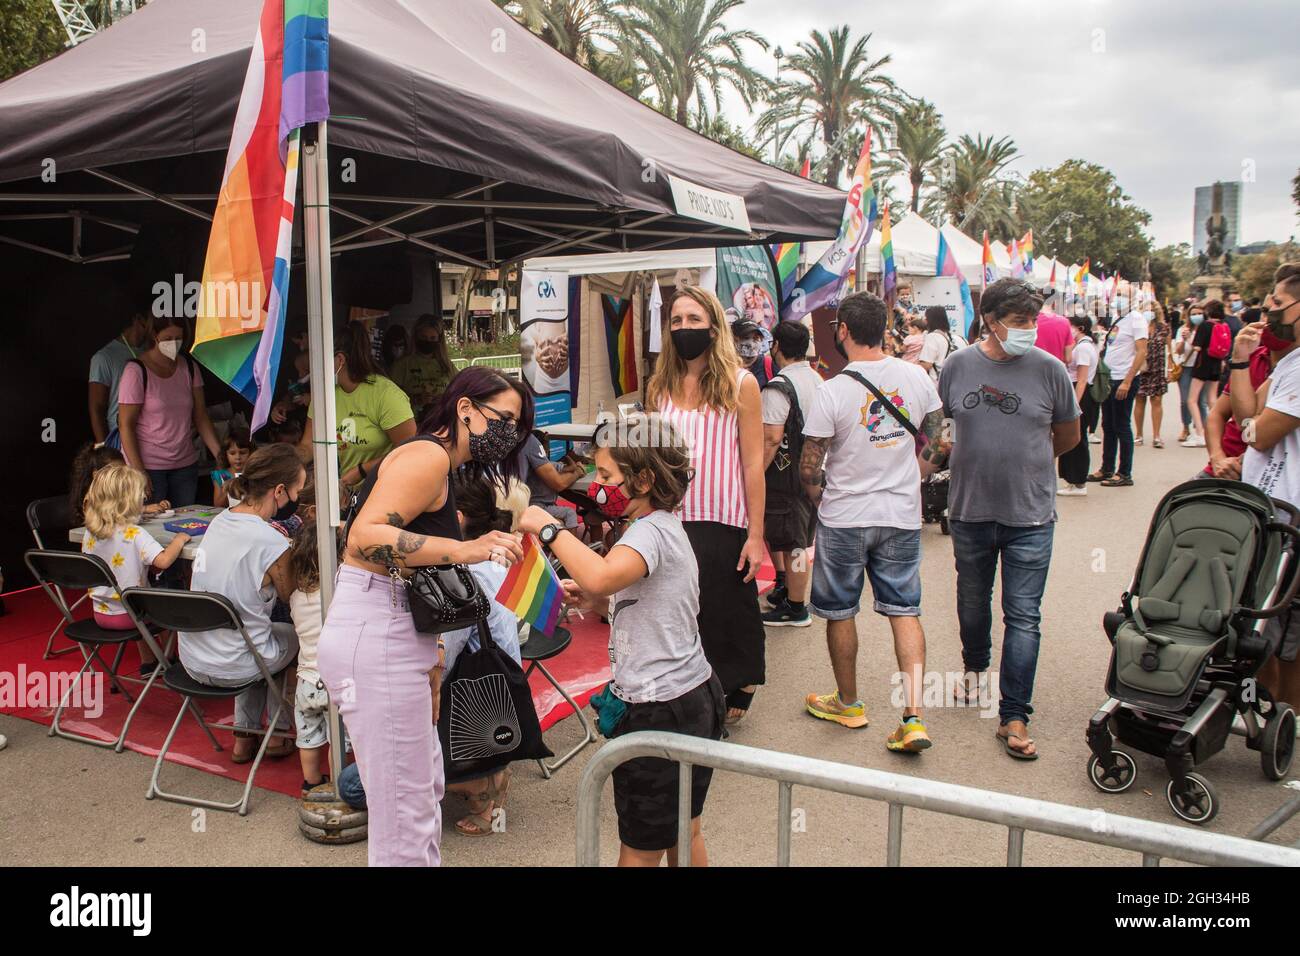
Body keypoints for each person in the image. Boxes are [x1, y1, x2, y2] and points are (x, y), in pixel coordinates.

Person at [317, 367, 530, 867]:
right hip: (376, 628)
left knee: (419, 791)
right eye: (503, 419)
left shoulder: (437, 460)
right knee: (404, 812)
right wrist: (465, 548)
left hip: (392, 628)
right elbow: (365, 538)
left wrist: (432, 651)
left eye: (516, 427)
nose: (508, 434)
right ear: (465, 409)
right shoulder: (428, 455)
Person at [520, 415, 724, 867]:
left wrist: (547, 529)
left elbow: (603, 573)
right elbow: (627, 592)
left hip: (659, 708)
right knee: (683, 827)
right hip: (691, 695)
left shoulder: (648, 533)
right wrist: (596, 597)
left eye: (608, 476)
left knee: (639, 845)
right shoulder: (661, 527)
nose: (596, 484)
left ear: (645, 479)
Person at [937, 279, 1080, 760]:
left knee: (1023, 616)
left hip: (1031, 516)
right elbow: (945, 429)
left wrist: (1032, 463)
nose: (1029, 331)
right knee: (973, 604)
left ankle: (1014, 715)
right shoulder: (957, 365)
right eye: (1020, 322)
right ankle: (975, 670)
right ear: (991, 321)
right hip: (971, 511)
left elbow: (1068, 435)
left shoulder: (1050, 369)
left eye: (1032, 321)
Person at [798, 292, 946, 751]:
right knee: (905, 610)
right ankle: (913, 716)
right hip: (901, 515)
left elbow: (808, 467)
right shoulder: (917, 377)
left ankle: (849, 703)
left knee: (841, 611)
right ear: (884, 328)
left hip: (845, 517)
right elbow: (940, 441)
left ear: (842, 330)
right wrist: (913, 475)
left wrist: (825, 494)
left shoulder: (831, 390)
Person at [648, 286, 766, 724]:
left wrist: (756, 535)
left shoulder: (742, 383)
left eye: (693, 320)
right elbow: (653, 456)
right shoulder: (659, 386)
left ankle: (739, 681)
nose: (684, 329)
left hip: (724, 514)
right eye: (676, 321)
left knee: (726, 607)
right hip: (673, 516)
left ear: (714, 326)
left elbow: (754, 463)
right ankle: (690, 696)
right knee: (679, 609)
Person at [180, 444, 305, 764]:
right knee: (292, 638)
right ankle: (278, 734)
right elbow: (293, 599)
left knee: (258, 635)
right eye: (296, 492)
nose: (297, 500)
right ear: (279, 491)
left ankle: (243, 736)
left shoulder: (220, 520)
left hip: (194, 658)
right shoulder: (272, 542)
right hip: (236, 663)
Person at [1231, 262, 1300, 718]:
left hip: (1290, 508)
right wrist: (1241, 357)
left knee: (1281, 622)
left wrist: (1252, 429)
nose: (1267, 308)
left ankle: (1286, 715)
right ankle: (1266, 708)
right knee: (1259, 614)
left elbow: (1259, 432)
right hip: (1265, 503)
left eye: (1277, 301)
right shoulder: (1290, 361)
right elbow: (1245, 416)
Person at [80, 465, 189, 675]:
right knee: (168, 596)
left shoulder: (90, 532)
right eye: (140, 495)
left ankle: (148, 663)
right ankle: (170, 660)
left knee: (136, 592)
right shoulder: (134, 533)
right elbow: (164, 561)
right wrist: (179, 540)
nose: (144, 499)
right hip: (131, 616)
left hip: (101, 612)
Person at [300, 324, 417, 496]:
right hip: (345, 495)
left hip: (387, 493)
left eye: (320, 359)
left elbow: (410, 451)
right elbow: (308, 445)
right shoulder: (324, 396)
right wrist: (287, 460)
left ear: (340, 360)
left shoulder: (386, 395)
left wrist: (362, 470)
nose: (314, 367)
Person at [117, 315, 223, 506]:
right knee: (152, 527)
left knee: (186, 525)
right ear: (154, 336)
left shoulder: (189, 367)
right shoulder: (136, 371)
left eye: (178, 338)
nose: (174, 344)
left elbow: (200, 416)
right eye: (167, 339)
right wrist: (138, 470)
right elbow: (125, 425)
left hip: (185, 464)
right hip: (149, 465)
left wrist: (220, 455)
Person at [760, 320, 823, 627]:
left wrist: (754, 473)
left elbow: (771, 438)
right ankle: (789, 591)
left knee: (795, 543)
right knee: (795, 538)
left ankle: (796, 607)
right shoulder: (817, 379)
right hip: (813, 473)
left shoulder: (778, 388)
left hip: (786, 478)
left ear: (776, 347)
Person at [288, 519, 330, 798]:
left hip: (305, 681)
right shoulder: (335, 596)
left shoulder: (295, 597)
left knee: (309, 736)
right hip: (334, 680)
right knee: (338, 738)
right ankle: (340, 779)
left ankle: (311, 782)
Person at [1089, 295, 1147, 487]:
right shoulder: (1119, 318)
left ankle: (1124, 472)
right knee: (1108, 425)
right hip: (1110, 378)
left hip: (1123, 378)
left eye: (1123, 296)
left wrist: (1128, 381)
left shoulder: (1137, 319)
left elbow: (1141, 351)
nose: (1118, 299)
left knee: (1122, 425)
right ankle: (1107, 467)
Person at [88, 310, 152, 450]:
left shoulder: (152, 353)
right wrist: (104, 450)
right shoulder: (104, 357)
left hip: (152, 437)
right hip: (120, 439)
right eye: (151, 322)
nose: (154, 328)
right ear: (138, 318)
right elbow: (96, 408)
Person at [1058, 313, 1098, 496]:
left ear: (1079, 328)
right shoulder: (1083, 346)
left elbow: (1081, 379)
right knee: (1075, 437)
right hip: (1078, 392)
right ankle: (1073, 480)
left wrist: (1074, 403)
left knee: (1077, 438)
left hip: (1080, 394)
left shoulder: (1084, 348)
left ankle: (1078, 481)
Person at [515, 430, 585, 532]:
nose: (548, 450)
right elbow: (564, 477)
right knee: (570, 513)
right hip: (541, 507)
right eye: (546, 447)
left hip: (528, 505)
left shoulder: (526, 467)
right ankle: (572, 543)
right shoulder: (549, 466)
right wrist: (574, 462)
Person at [389, 314, 455, 421]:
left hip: (443, 422)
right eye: (423, 337)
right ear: (416, 337)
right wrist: (416, 399)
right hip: (413, 422)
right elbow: (391, 398)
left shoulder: (446, 364)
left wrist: (445, 399)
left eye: (432, 338)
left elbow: (459, 390)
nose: (428, 342)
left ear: (439, 340)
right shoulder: (402, 365)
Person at [1183, 300, 1226, 448]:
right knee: (1212, 399)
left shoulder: (1205, 326)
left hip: (1202, 364)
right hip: (1216, 363)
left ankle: (1200, 433)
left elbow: (1196, 347)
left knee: (1192, 400)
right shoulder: (1222, 325)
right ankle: (1217, 431)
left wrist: (1187, 339)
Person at [1133, 302, 1170, 448]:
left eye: (1152, 310)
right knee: (1140, 400)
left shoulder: (1163, 328)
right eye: (1146, 309)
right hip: (1141, 367)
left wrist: (1170, 368)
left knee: (1156, 400)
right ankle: (1139, 435)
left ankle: (1156, 436)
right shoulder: (1137, 327)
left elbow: (1169, 349)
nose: (1150, 312)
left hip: (1158, 367)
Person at [211, 427, 255, 508]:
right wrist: (229, 488)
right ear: (226, 454)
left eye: (242, 453)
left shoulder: (255, 474)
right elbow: (217, 505)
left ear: (251, 453)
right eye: (232, 453)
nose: (237, 457)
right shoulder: (221, 476)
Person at [1171, 309, 1197, 443]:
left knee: (1200, 401)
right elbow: (1179, 350)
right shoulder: (1182, 329)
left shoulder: (1205, 329)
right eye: (1193, 314)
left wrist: (1192, 342)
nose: (1196, 316)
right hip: (1186, 367)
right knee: (1185, 400)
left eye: (1199, 313)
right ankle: (1186, 427)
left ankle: (1199, 428)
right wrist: (1184, 339)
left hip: (1200, 368)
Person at [917, 306, 962, 383]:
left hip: (935, 383)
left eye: (926, 318)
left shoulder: (933, 337)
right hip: (948, 380)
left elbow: (926, 364)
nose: (925, 320)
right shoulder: (948, 335)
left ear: (931, 320)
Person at [731, 317, 774, 387]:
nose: (751, 345)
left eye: (756, 339)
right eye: (745, 338)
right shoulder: (723, 368)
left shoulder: (769, 365)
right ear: (732, 340)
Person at [1034, 295, 1073, 364]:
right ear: (1055, 303)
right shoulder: (1064, 322)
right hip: (1056, 370)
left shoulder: (1029, 320)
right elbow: (1068, 358)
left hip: (1032, 369)